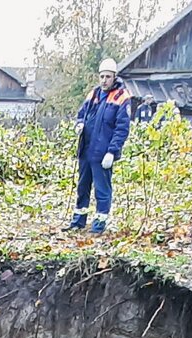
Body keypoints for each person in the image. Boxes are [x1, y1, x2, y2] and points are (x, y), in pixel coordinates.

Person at [68, 58, 132, 235]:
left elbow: (122, 128)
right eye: (102, 76)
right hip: (86, 149)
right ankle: (78, 222)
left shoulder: (121, 97)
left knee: (102, 190)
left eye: (108, 77)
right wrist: (79, 124)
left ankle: (99, 225)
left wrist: (112, 152)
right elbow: (82, 113)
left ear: (114, 77)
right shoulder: (94, 94)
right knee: (82, 188)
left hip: (103, 153)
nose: (104, 80)